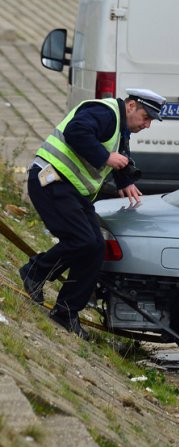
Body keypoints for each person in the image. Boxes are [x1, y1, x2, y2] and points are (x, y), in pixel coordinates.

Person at [18, 88, 166, 339]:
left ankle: (66, 310)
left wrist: (124, 181)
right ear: (130, 105)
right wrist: (106, 157)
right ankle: (35, 272)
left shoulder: (121, 128)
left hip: (70, 190)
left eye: (151, 121)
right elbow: (76, 131)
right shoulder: (104, 112)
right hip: (50, 179)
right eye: (146, 117)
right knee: (81, 240)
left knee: (96, 246)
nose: (147, 125)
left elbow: (121, 156)